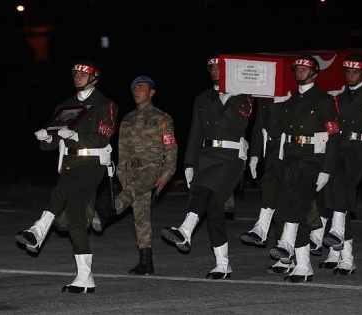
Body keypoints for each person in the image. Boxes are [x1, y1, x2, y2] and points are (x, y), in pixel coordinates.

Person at [15, 59, 118, 293]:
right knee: (74, 217)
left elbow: (103, 137)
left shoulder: (105, 104)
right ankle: (85, 277)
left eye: (83, 73)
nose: (77, 76)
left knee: (61, 192)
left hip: (93, 162)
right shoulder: (66, 106)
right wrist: (47, 139)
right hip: (71, 162)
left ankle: (38, 230)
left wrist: (75, 136)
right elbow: (54, 140)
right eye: (75, 73)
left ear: (95, 77)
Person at [161, 55, 253, 279]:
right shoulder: (202, 98)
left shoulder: (244, 96)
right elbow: (196, 132)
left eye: (218, 67)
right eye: (211, 67)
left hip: (230, 157)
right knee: (213, 207)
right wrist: (189, 163)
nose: (214, 70)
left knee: (203, 190)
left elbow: (241, 124)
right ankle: (223, 264)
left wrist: (226, 101)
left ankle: (185, 230)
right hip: (207, 155)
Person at [268, 55, 340, 283]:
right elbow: (274, 131)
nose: (299, 71)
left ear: (314, 72)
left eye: (303, 68)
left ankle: (291, 249)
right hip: (291, 158)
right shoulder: (290, 101)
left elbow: (334, 137)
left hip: (312, 159)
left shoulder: (324, 100)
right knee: (289, 205)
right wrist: (276, 103)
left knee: (297, 206)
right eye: (297, 68)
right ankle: (302, 264)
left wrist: (327, 170)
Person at [98, 75, 177, 275]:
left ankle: (109, 212)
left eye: (141, 88)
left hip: (151, 169)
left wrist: (167, 173)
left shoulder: (162, 118)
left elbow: (171, 148)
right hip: (131, 171)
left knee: (132, 191)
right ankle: (146, 261)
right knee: (140, 216)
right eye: (134, 88)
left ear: (151, 92)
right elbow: (122, 151)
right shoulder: (127, 119)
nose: (136, 91)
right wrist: (121, 174)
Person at [318, 53, 362, 275]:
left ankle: (344, 250)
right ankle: (338, 251)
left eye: (355, 71)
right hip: (339, 147)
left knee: (342, 184)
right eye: (348, 71)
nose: (351, 75)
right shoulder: (338, 97)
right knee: (330, 185)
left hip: (360, 148)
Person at [239, 95, 293, 273]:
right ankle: (283, 255)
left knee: (288, 205)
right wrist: (254, 155)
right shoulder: (265, 94)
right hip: (270, 152)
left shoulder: (296, 92)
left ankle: (289, 251)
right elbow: (259, 124)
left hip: (292, 152)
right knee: (273, 199)